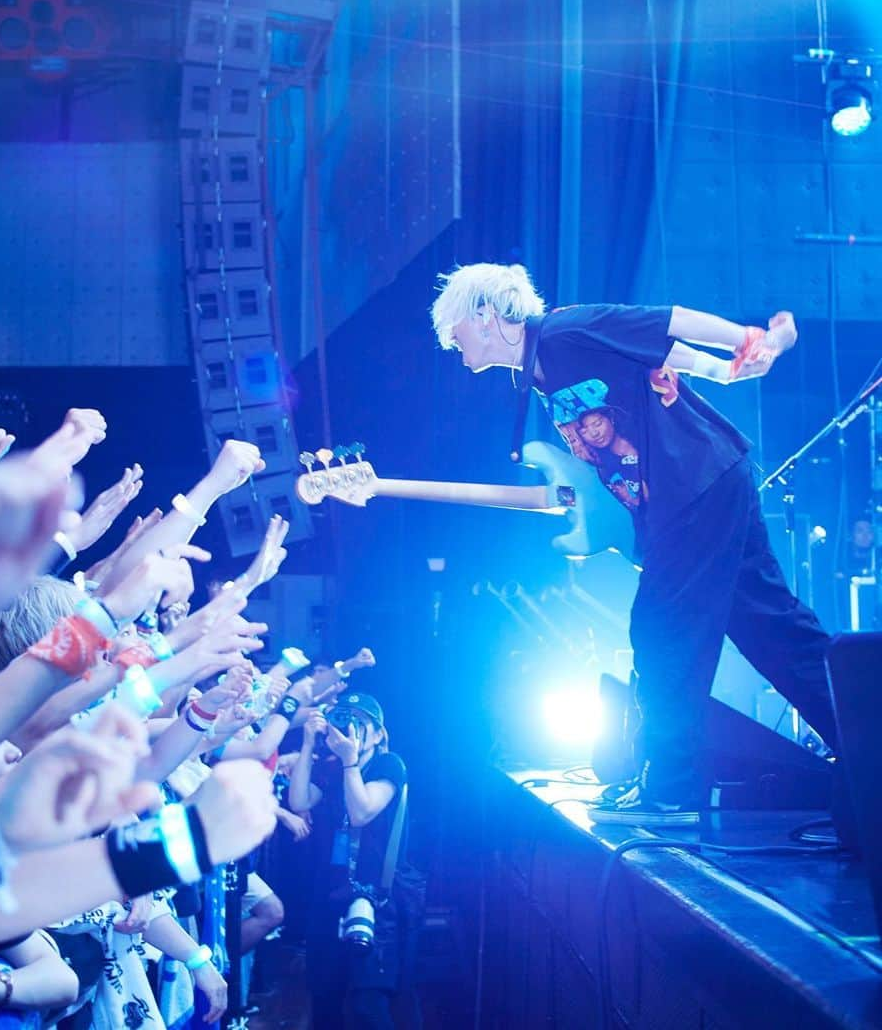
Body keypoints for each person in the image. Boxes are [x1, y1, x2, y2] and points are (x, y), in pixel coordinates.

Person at [431, 263, 838, 826]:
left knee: (662, 630)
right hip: (700, 489)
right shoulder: (538, 373)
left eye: (454, 328)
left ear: (486, 313)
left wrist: (747, 339)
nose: (452, 343)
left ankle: (670, 790)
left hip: (696, 485)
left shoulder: (566, 330)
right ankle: (868, 736)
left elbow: (665, 321)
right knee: (769, 625)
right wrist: (729, 369)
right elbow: (667, 361)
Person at [288, 692, 412, 1029]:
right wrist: (308, 743)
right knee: (324, 994)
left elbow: (361, 812)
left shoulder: (389, 765)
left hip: (376, 897)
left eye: (360, 724)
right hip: (330, 893)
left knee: (369, 1005)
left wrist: (349, 761)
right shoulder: (330, 768)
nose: (349, 731)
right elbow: (299, 798)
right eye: (343, 721)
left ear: (377, 735)